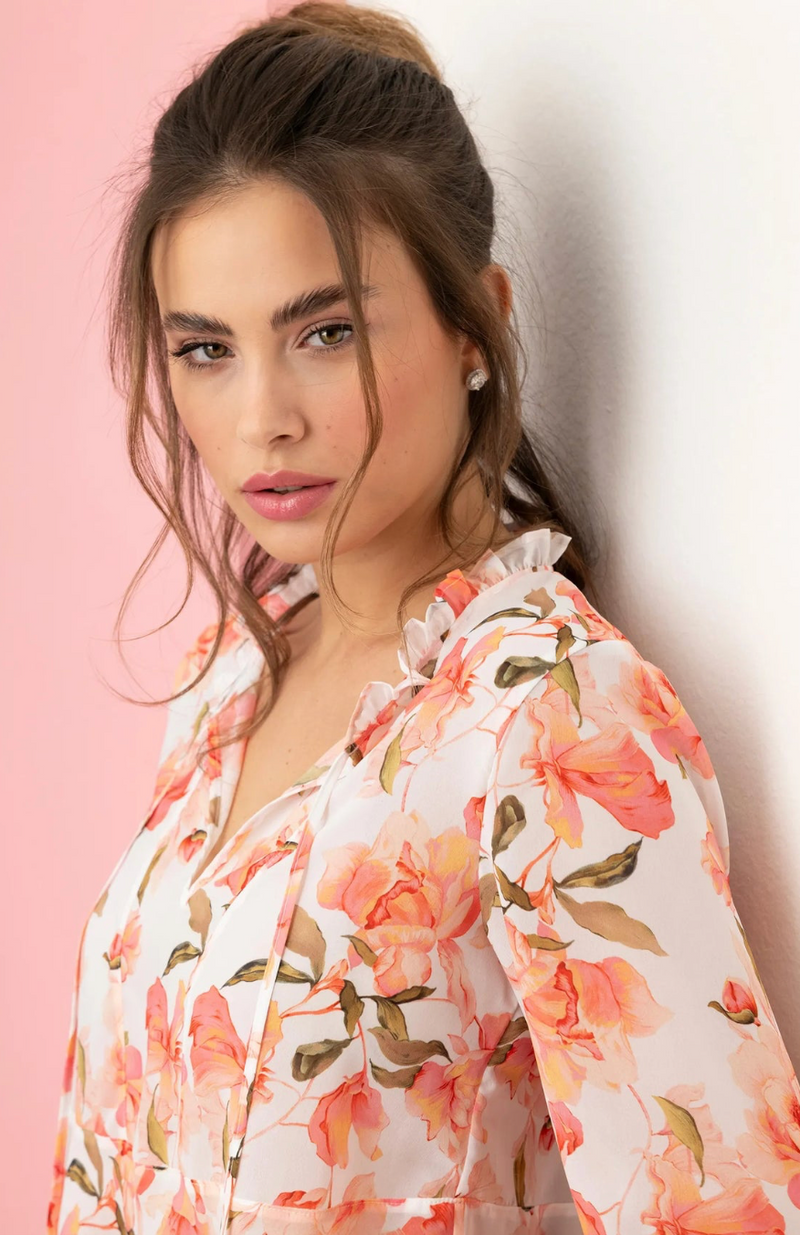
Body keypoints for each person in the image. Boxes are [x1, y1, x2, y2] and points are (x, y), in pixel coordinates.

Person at [47, 4, 800, 1233]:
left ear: (474, 326)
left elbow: (716, 1205)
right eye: (205, 349)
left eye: (324, 332)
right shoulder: (227, 674)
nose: (260, 420)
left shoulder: (548, 719)